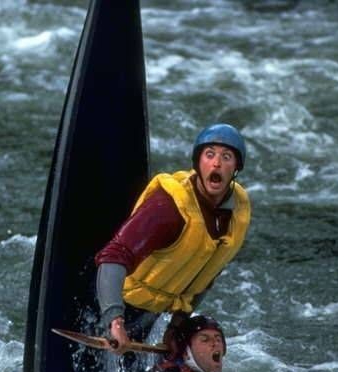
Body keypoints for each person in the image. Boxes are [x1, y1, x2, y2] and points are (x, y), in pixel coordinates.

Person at [95, 123, 251, 352]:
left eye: (226, 157)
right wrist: (115, 321)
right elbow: (113, 258)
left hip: (153, 312)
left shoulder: (235, 213)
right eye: (209, 155)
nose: (217, 163)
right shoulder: (168, 207)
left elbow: (206, 274)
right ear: (198, 163)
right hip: (110, 302)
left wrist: (176, 326)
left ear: (236, 168)